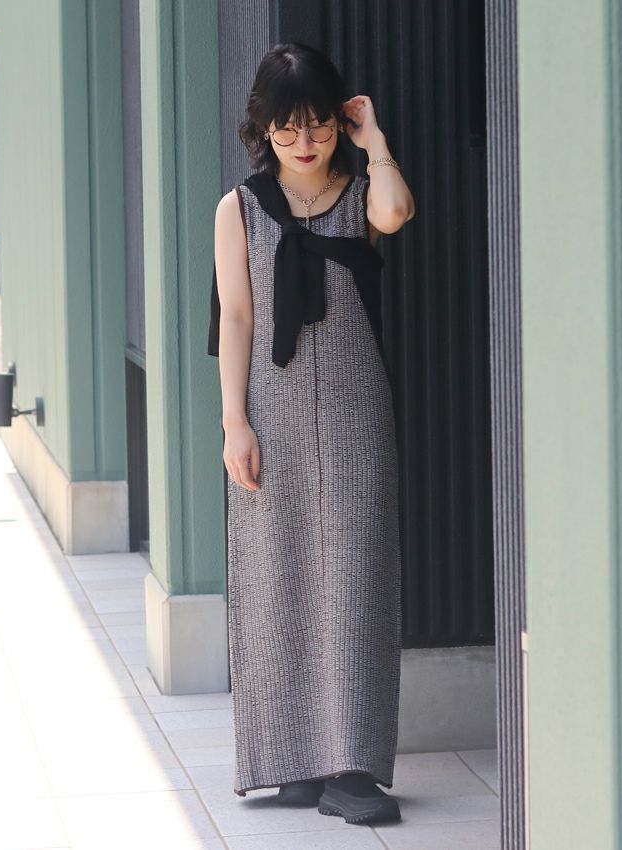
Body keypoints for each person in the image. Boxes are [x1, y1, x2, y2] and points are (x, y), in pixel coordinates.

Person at [210, 41, 415, 826]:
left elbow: (396, 214)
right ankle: (289, 759)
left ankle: (352, 765)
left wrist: (376, 141)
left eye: (320, 125)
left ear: (339, 122)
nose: (305, 142)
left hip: (358, 405)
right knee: (276, 574)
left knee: (358, 574)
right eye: (288, 128)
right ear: (264, 128)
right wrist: (234, 421)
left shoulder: (361, 195)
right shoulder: (238, 208)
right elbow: (235, 317)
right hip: (273, 406)